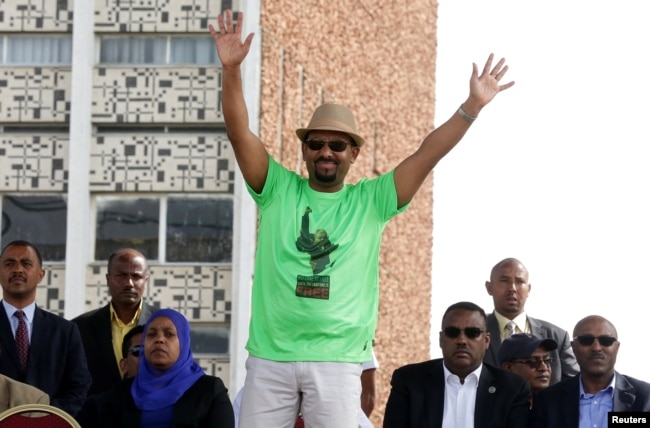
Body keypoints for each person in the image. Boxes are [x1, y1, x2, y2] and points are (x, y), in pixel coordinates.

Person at [209, 9, 514, 427]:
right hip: (270, 357)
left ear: (354, 153)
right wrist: (231, 71)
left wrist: (471, 107)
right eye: (317, 143)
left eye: (338, 144)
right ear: (304, 150)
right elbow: (238, 130)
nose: (326, 151)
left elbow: (428, 153)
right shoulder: (277, 188)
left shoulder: (372, 200)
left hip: (337, 362)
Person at [383, 301, 529, 428]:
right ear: (441, 339)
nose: (462, 340)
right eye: (452, 332)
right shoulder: (409, 381)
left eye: (472, 333)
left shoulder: (511, 389)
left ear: (486, 341)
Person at [99, 308, 234, 427]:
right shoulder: (123, 393)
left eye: (169, 334)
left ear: (183, 343)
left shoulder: (209, 390)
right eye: (151, 334)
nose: (159, 339)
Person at [0, 240, 91, 416]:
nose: (17, 269)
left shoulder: (65, 331)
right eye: (9, 264)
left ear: (41, 275)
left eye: (26, 263)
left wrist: (43, 416)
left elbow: (78, 386)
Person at [529, 315, 650, 428]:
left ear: (617, 347)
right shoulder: (547, 401)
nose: (596, 348)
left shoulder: (645, 397)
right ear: (573, 347)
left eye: (606, 340)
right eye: (586, 340)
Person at [73, 248, 157, 396]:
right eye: (122, 275)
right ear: (108, 279)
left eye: (136, 276)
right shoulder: (79, 328)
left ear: (146, 280)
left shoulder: (164, 325)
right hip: (97, 416)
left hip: (150, 414)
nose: (129, 283)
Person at [483, 257, 578, 384]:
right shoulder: (474, 332)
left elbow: (574, 385)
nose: (512, 288)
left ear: (529, 289)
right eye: (504, 280)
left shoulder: (557, 337)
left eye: (519, 281)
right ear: (489, 287)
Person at [76, 325, 144, 427]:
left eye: (156, 351)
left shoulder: (175, 406)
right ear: (124, 365)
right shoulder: (96, 408)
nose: (149, 358)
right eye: (140, 351)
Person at [498, 333, 557, 405]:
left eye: (547, 361)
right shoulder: (496, 409)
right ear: (508, 367)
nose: (544, 368)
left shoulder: (560, 406)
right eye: (533, 361)